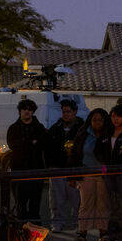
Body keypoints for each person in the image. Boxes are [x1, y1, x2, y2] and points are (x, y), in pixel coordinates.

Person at [5, 98, 47, 223]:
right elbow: (13, 145)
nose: (27, 112)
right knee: (20, 205)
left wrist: (26, 143)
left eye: (30, 109)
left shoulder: (39, 128)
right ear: (20, 111)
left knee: (35, 205)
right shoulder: (13, 128)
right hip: (19, 170)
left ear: (33, 111)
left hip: (36, 170)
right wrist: (31, 142)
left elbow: (42, 144)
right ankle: (21, 232)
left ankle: (35, 233)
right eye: (24, 109)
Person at [98, 105, 122, 241]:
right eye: (113, 116)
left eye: (118, 116)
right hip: (109, 173)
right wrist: (103, 167)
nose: (115, 119)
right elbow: (99, 151)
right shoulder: (106, 134)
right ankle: (112, 232)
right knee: (112, 203)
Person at [45, 99, 84, 232]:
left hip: (74, 169)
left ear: (75, 112)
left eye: (68, 111)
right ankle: (57, 223)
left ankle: (77, 223)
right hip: (57, 167)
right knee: (57, 198)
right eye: (64, 111)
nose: (66, 114)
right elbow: (48, 147)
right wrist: (50, 165)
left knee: (76, 198)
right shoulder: (56, 128)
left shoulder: (81, 128)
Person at [72, 108, 110, 241]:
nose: (97, 123)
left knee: (102, 204)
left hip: (102, 175)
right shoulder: (83, 134)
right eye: (94, 120)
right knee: (85, 204)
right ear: (90, 121)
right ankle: (82, 233)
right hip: (86, 173)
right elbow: (76, 153)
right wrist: (73, 175)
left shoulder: (107, 135)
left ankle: (103, 233)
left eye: (100, 120)